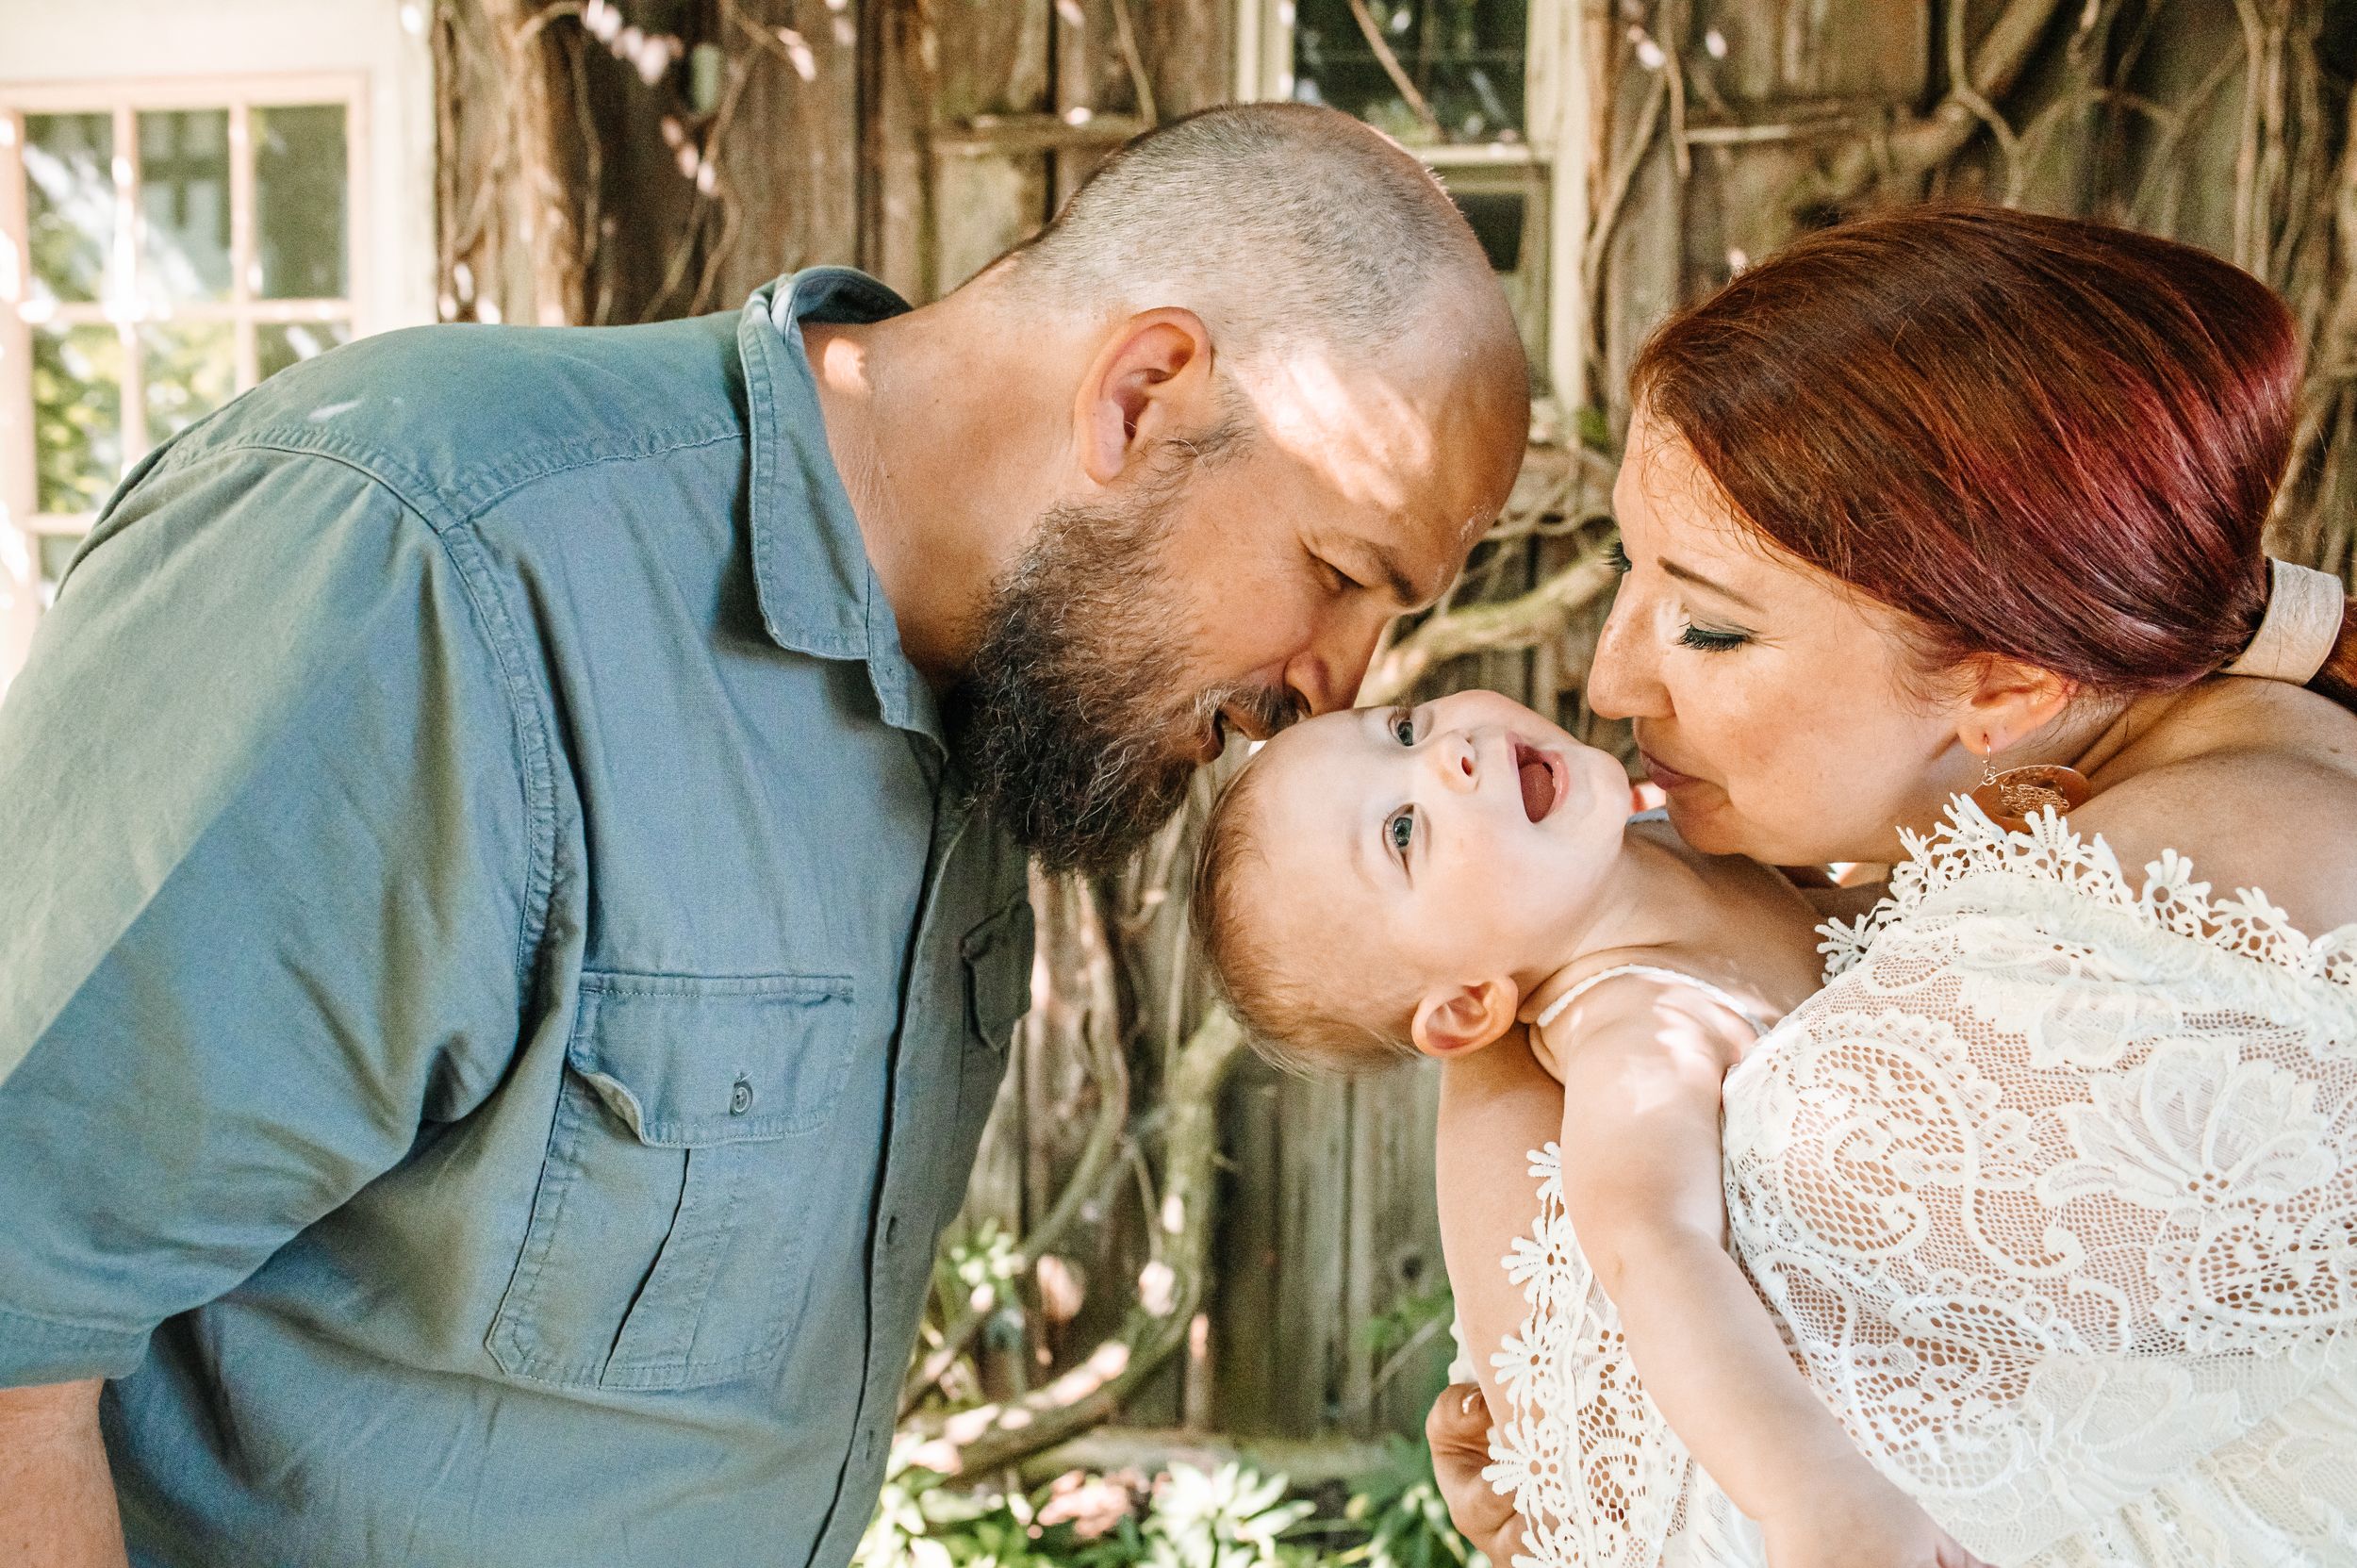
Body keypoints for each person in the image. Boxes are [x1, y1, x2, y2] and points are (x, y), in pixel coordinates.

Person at [0, 104, 1530, 1567]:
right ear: (1139, 395)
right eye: (1341, 571)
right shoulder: (426, 566)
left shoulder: (1000, 694)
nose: (1338, 690)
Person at [1426, 205, 2357, 1567]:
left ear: (2008, 684)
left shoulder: (2123, 959)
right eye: (1631, 565)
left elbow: (1644, 1513)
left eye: (1709, 624)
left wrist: (1503, 968)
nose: (1610, 681)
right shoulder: (2204, 799)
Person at [1194, 686, 1988, 1565]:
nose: (1446, 753)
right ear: (1468, 1006)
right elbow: (1656, 1253)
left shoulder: (1683, 828)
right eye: (1404, 833)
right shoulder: (1632, 1037)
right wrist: (1809, 1487)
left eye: (1402, 728)